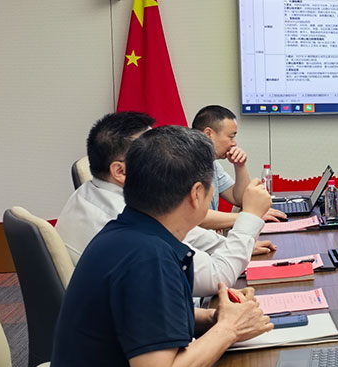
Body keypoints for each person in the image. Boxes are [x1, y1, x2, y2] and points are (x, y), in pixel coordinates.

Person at [35, 125, 273, 367]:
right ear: (196, 194)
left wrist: (214, 318)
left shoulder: (130, 233)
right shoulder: (147, 258)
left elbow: (145, 316)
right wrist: (228, 330)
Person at [57, 112, 276, 297]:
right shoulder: (127, 221)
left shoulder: (92, 192)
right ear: (120, 171)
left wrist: (229, 245)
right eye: (148, 152)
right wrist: (249, 218)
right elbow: (215, 277)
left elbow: (187, 235)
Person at [191, 104, 286, 229]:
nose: (234, 143)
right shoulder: (184, 165)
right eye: (231, 137)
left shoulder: (213, 164)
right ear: (208, 134)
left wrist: (240, 165)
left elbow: (240, 199)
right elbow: (194, 217)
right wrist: (251, 217)